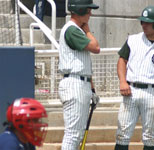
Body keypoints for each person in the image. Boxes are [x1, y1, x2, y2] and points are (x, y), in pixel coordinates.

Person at [114, 5, 154, 150]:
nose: (144, 25)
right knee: (122, 133)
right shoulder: (133, 39)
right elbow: (122, 60)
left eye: (148, 22)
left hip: (153, 91)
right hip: (131, 89)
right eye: (142, 21)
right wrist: (123, 81)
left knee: (150, 136)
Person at [58, 0, 100, 149]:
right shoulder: (72, 29)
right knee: (73, 135)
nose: (90, 13)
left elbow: (83, 65)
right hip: (74, 84)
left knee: (78, 134)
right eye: (88, 10)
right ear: (81, 10)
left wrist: (92, 90)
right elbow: (95, 47)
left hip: (81, 83)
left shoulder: (76, 29)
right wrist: (88, 30)